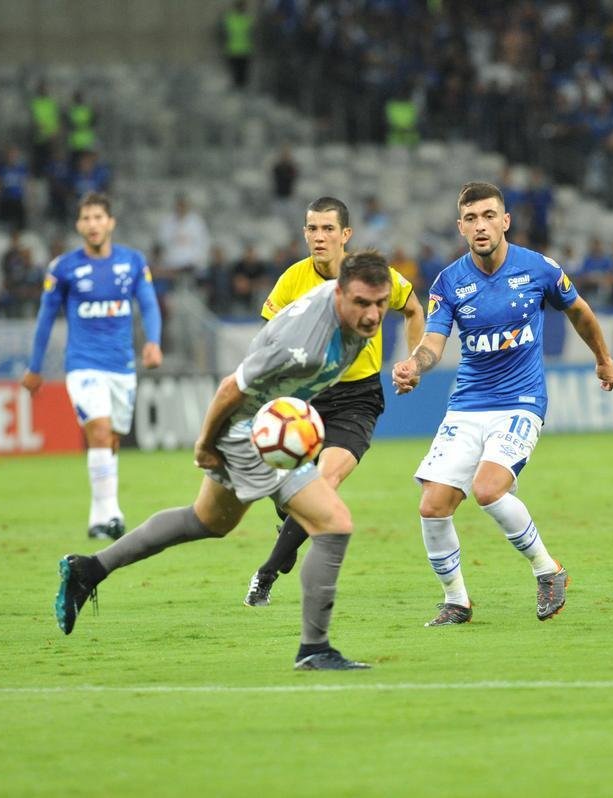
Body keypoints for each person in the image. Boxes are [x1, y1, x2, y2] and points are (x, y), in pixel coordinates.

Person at [55, 253, 392, 672]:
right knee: (334, 523)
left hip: (256, 421)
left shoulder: (346, 307)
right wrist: (205, 442)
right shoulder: (304, 344)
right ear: (339, 293)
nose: (373, 314)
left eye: (380, 303)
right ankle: (314, 649)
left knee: (207, 521)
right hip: (248, 431)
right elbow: (231, 387)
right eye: (362, 302)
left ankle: (89, 569)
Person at [392, 181, 613, 625]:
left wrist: (603, 359)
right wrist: (414, 365)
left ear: (505, 221)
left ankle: (547, 570)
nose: (481, 226)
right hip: (467, 405)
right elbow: (434, 343)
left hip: (520, 401)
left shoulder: (538, 269)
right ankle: (457, 600)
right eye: (472, 218)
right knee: (432, 505)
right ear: (461, 227)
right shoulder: (450, 282)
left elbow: (580, 312)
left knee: (489, 489)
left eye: (489, 216)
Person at [243, 197, 423, 606]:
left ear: (346, 235)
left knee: (324, 484)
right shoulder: (292, 280)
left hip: (357, 400)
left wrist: (412, 361)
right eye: (311, 228)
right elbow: (268, 341)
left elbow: (413, 309)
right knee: (290, 495)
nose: (318, 237)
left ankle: (266, 574)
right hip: (305, 399)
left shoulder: (373, 276)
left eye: (327, 229)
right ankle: (292, 517)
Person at [22, 193, 163, 540]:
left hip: (122, 366)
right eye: (86, 218)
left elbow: (148, 303)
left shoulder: (132, 262)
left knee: (111, 438)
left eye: (99, 217)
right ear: (78, 225)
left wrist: (153, 341)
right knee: (98, 431)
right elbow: (44, 318)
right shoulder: (63, 268)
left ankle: (99, 516)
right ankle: (109, 515)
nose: (93, 224)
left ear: (110, 222)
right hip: (84, 365)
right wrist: (34, 367)